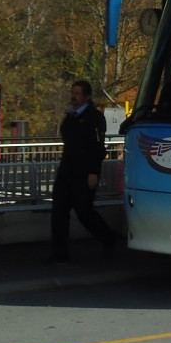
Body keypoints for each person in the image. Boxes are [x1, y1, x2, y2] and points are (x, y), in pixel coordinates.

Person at [44, 80, 118, 263]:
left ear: (87, 97)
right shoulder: (71, 117)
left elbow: (98, 148)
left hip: (85, 172)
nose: (74, 97)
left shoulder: (94, 118)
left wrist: (93, 172)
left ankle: (108, 237)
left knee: (84, 211)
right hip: (67, 170)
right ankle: (60, 254)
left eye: (78, 94)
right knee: (59, 211)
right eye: (73, 93)